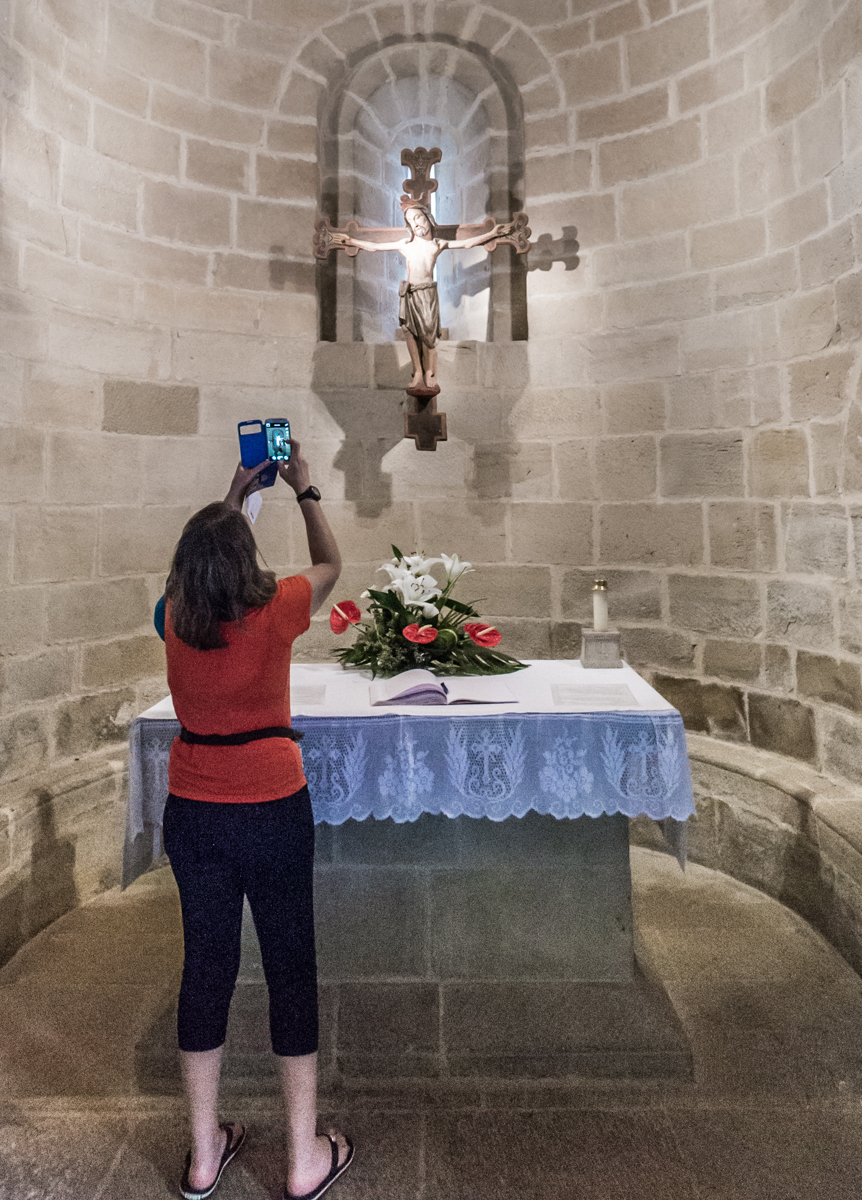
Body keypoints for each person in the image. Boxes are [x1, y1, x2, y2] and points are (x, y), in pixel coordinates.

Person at [155, 441, 353, 1200]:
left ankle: (205, 1154)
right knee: (289, 969)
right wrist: (304, 490)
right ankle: (303, 1160)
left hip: (195, 813)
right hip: (271, 808)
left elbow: (202, 567)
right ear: (246, 561)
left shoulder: (170, 614)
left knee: (205, 969)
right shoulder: (276, 610)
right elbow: (331, 565)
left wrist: (232, 496)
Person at [332, 204, 515, 391]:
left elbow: (468, 243)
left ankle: (430, 372)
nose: (415, 224)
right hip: (409, 292)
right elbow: (375, 247)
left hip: (427, 292)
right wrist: (351, 241)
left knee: (428, 333)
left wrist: (493, 233)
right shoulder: (405, 245)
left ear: (428, 217)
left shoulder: (437, 244)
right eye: (411, 221)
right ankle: (418, 370)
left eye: (417, 217)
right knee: (407, 330)